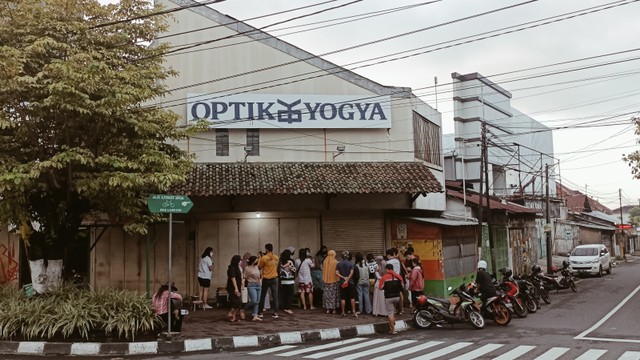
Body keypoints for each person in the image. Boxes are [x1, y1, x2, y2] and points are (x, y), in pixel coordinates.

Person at [378, 263, 404, 335]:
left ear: (387, 269)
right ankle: (393, 325)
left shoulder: (384, 277)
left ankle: (393, 330)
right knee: (393, 311)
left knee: (390, 314)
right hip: (397, 297)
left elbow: (380, 287)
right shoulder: (398, 277)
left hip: (388, 297)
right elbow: (402, 286)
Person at [258, 243, 280, 319]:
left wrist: (260, 258)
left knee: (263, 295)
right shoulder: (276, 257)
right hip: (275, 278)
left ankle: (260, 312)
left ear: (266, 249)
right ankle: (275, 313)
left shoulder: (264, 258)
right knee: (275, 296)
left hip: (266, 278)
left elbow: (259, 267)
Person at [336, 250, 357, 318]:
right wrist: (347, 279)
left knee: (343, 297)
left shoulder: (338, 263)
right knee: (352, 297)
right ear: (348, 256)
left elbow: (336, 272)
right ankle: (353, 311)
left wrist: (343, 278)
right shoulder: (351, 264)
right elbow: (351, 273)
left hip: (342, 282)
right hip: (350, 282)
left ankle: (343, 312)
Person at [243, 255, 262, 321]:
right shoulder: (247, 268)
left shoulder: (257, 267)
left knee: (257, 301)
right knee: (254, 300)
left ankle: (255, 315)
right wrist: (242, 283)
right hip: (251, 284)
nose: (257, 261)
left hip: (258, 284)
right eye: (256, 260)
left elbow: (260, 275)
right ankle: (244, 308)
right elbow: (244, 277)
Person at [226, 255, 244, 322]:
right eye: (239, 260)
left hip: (238, 286)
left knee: (239, 302)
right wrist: (236, 288)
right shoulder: (232, 268)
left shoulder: (238, 268)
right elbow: (233, 278)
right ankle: (230, 313)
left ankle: (234, 316)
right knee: (236, 301)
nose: (240, 262)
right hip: (232, 287)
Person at [279, 249, 296, 315]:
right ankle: (288, 308)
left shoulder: (281, 261)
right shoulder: (290, 261)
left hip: (283, 280)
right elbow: (293, 270)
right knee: (290, 294)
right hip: (290, 280)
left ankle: (284, 307)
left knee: (284, 295)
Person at [322, 249, 339, 314]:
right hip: (334, 281)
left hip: (326, 281)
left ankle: (327, 309)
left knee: (327, 295)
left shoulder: (325, 262)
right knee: (334, 295)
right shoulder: (335, 262)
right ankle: (334, 309)